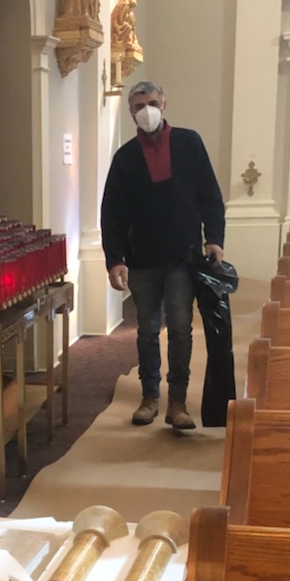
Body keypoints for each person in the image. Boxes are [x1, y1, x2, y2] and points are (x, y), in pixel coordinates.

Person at [100, 80, 226, 429]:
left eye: (152, 103)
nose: (146, 111)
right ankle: (149, 398)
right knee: (147, 331)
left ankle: (178, 403)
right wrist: (115, 259)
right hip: (142, 260)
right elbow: (112, 213)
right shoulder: (124, 157)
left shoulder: (189, 143)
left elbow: (209, 195)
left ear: (164, 104)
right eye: (139, 106)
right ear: (130, 112)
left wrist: (214, 238)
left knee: (182, 329)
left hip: (182, 258)